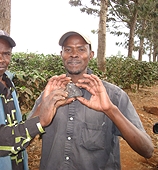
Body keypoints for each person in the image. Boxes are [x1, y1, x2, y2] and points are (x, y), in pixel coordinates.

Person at [28, 31, 154, 170]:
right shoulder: (49, 95)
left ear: (91, 54)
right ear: (61, 55)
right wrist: (41, 110)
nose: (74, 54)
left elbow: (147, 150)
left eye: (81, 49)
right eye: (68, 49)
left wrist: (110, 110)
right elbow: (23, 141)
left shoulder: (114, 96)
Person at [0, 28, 72, 170]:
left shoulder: (8, 83)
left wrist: (41, 108)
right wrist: (39, 122)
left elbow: (16, 129)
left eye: (6, 54)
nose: (1, 59)